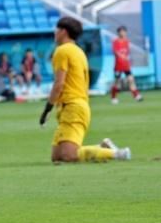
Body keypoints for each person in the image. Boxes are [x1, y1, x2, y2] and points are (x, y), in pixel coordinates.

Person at [39, 17, 131, 163]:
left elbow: (59, 84)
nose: (54, 32)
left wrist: (47, 109)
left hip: (72, 107)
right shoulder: (78, 51)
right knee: (57, 156)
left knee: (68, 155)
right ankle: (102, 147)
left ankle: (117, 154)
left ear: (63, 32)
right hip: (77, 105)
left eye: (57, 29)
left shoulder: (62, 51)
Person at [110, 26, 142, 104]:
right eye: (121, 31)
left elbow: (127, 53)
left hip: (126, 65)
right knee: (117, 83)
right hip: (118, 65)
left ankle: (136, 96)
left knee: (131, 80)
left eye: (124, 31)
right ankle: (113, 97)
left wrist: (128, 59)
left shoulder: (127, 41)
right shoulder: (115, 41)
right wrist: (121, 56)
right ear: (118, 33)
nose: (123, 33)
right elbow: (115, 51)